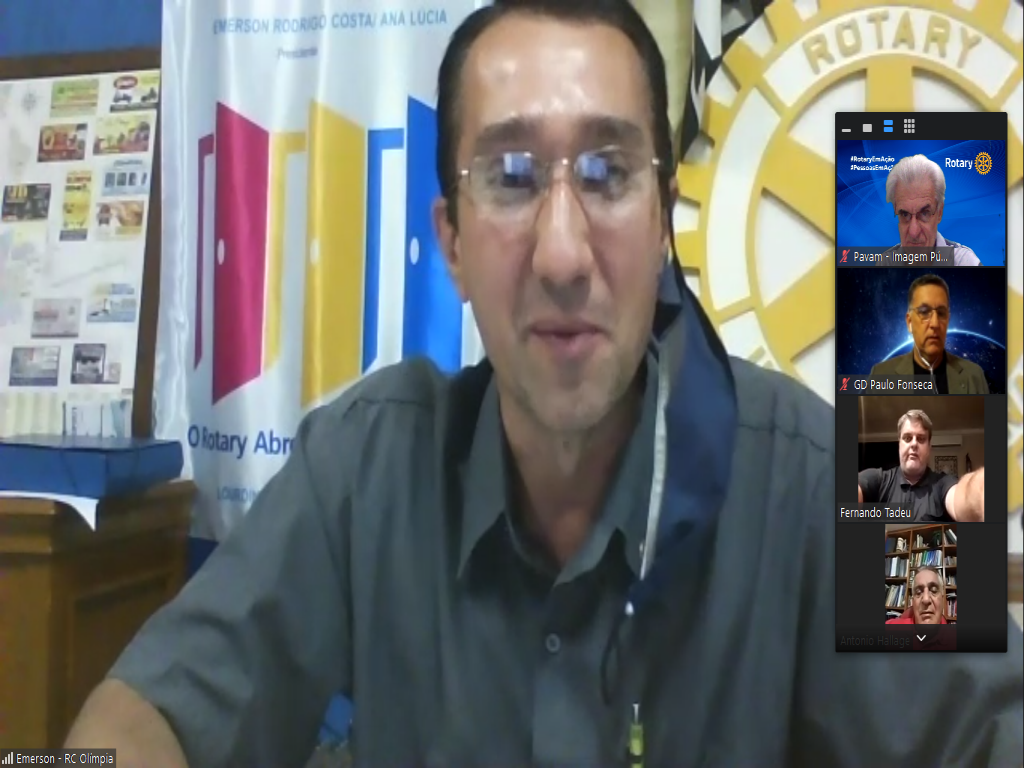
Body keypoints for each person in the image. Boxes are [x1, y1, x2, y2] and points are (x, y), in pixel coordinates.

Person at [65, 2, 1023, 766]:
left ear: (663, 224)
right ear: (449, 241)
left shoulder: (856, 468)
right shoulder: (361, 466)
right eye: (513, 178)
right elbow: (147, 714)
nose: (564, 255)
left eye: (608, 174)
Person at [869, 273, 990, 394]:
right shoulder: (880, 376)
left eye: (941, 313)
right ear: (909, 322)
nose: (935, 323)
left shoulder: (975, 377)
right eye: (924, 312)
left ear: (948, 320)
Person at [858, 409, 984, 522]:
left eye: (921, 439)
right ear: (899, 445)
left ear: (929, 447)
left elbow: (962, 500)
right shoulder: (879, 480)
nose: (914, 444)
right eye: (907, 438)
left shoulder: (943, 483)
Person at [880, 154, 981, 265]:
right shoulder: (886, 263)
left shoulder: (964, 262)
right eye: (904, 214)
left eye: (924, 213)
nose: (914, 232)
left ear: (939, 212)